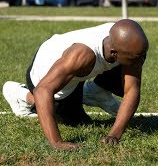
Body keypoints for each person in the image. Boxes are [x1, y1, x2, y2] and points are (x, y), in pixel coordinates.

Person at [2, 19, 149, 150]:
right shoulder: (83, 55)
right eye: (137, 57)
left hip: (77, 73)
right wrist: (56, 142)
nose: (141, 60)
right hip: (44, 75)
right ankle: (21, 95)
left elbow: (131, 90)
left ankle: (96, 91)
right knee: (72, 119)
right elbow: (42, 90)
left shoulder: (126, 40)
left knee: (130, 62)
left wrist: (114, 135)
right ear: (114, 53)